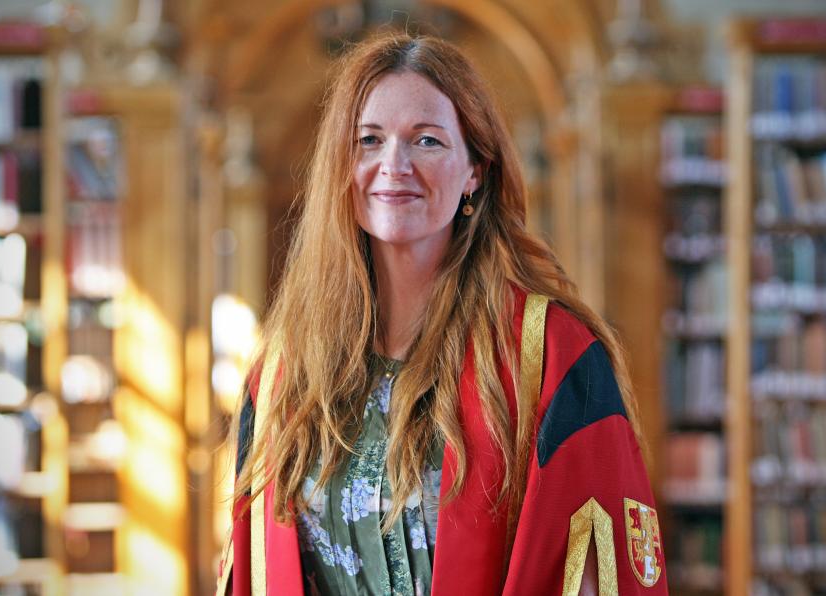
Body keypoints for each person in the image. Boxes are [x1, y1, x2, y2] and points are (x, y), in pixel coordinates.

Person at [216, 33, 667, 596]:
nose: (393, 165)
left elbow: (601, 579)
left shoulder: (552, 357)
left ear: (475, 170)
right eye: (368, 140)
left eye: (426, 140)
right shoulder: (285, 371)